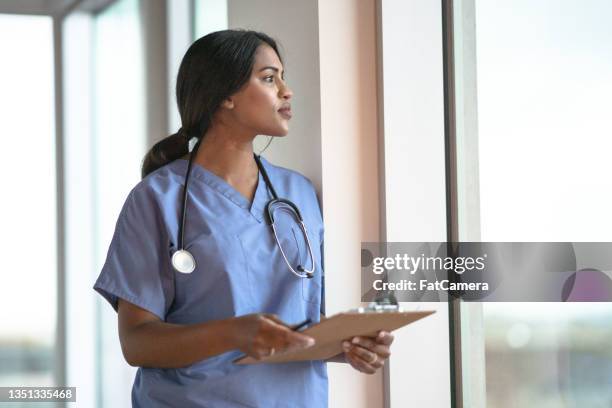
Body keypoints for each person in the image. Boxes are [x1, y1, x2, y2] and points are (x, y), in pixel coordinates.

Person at [93, 29, 394, 407]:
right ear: (225, 96)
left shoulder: (298, 194)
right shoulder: (156, 199)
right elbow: (136, 342)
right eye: (269, 78)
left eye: (282, 77)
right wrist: (233, 333)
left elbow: (299, 329)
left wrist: (348, 347)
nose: (287, 91)